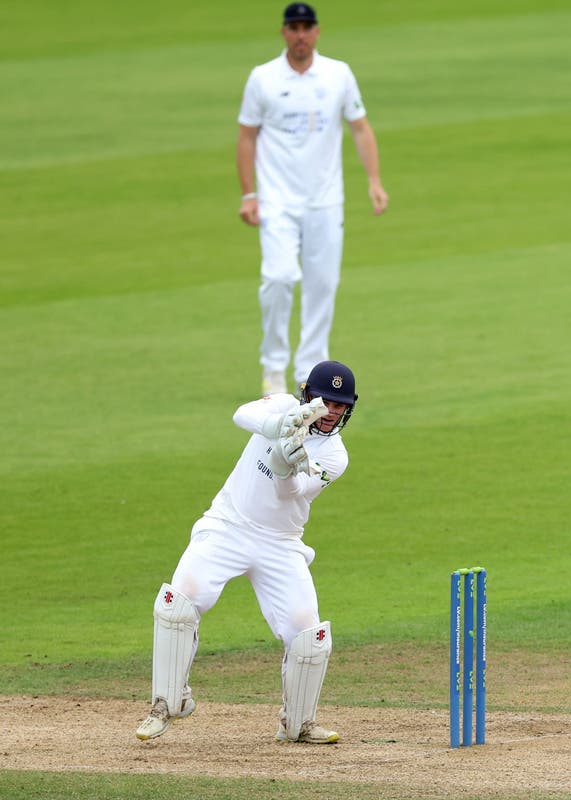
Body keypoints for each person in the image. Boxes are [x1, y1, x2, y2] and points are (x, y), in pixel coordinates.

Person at [135, 360, 358, 744]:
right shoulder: (283, 403)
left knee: (308, 635)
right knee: (178, 602)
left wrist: (284, 465)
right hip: (228, 525)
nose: (331, 412)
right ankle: (167, 703)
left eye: (340, 406)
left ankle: (297, 724)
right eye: (326, 402)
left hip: (280, 542)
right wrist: (279, 427)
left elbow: (292, 492)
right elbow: (242, 414)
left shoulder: (335, 455)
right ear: (308, 396)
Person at [237, 3, 388, 395]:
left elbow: (359, 128)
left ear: (317, 31)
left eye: (307, 27)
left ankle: (309, 371)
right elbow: (247, 137)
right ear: (284, 32)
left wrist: (374, 179)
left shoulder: (338, 74)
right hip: (278, 201)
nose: (300, 34)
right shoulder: (263, 78)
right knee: (279, 277)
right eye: (294, 27)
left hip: (325, 200)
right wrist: (249, 194)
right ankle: (273, 367)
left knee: (322, 285)